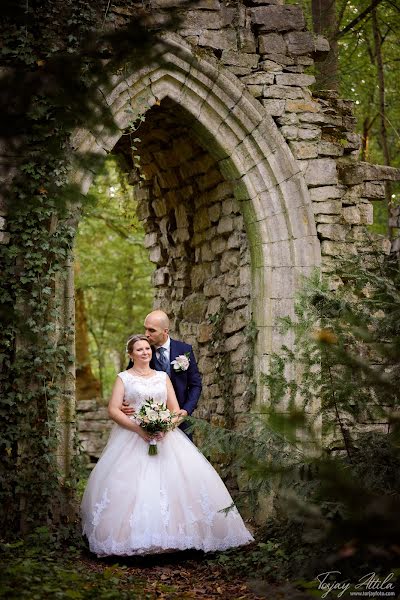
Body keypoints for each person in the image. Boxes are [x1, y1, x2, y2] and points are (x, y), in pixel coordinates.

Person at [81, 334, 254, 557]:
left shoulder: (162, 376)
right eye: (139, 349)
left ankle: (180, 538)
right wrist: (139, 430)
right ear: (131, 354)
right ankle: (132, 539)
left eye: (147, 349)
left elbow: (175, 409)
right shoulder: (123, 378)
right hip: (133, 436)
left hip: (165, 437)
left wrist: (164, 426)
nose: (145, 352)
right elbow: (113, 410)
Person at [122, 310, 202, 439]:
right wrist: (123, 404)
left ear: (165, 331)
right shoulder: (142, 351)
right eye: (145, 329)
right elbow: (128, 380)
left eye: (151, 330)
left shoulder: (184, 350)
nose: (146, 334)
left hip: (180, 419)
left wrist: (186, 410)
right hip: (147, 421)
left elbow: (195, 385)